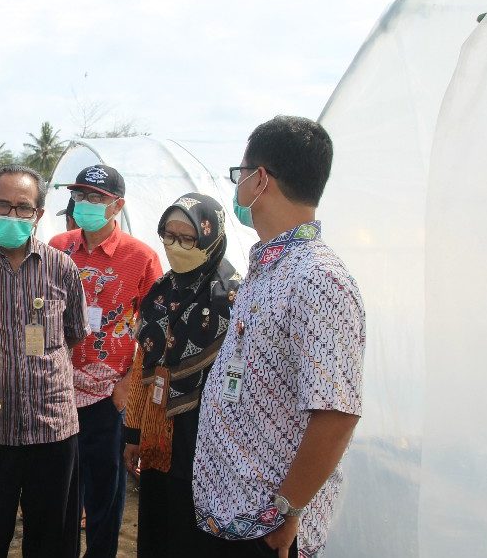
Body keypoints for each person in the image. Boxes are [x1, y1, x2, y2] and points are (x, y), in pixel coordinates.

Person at [192, 116, 365, 558]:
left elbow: (336, 413)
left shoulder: (317, 278)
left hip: (267, 529)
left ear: (260, 180)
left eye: (240, 175)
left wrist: (287, 510)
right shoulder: (270, 268)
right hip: (233, 516)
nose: (238, 188)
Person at [0, 165, 90, 557]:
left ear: (38, 213)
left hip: (52, 428)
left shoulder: (61, 267)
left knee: (53, 540)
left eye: (23, 207)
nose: (13, 215)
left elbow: (73, 334)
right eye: (4, 205)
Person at [48, 165, 163, 558]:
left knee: (105, 489)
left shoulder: (141, 258)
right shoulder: (57, 246)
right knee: (62, 487)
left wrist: (128, 384)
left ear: (118, 205)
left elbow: (154, 331)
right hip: (57, 390)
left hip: (107, 395)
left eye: (96, 199)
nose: (86, 205)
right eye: (80, 197)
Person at [122, 193, 242, 556]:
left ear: (212, 238)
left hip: (209, 447)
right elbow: (144, 365)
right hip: (161, 441)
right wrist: (134, 433)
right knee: (160, 532)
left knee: (194, 539)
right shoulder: (161, 292)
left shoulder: (233, 297)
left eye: (187, 238)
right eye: (168, 236)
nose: (175, 246)